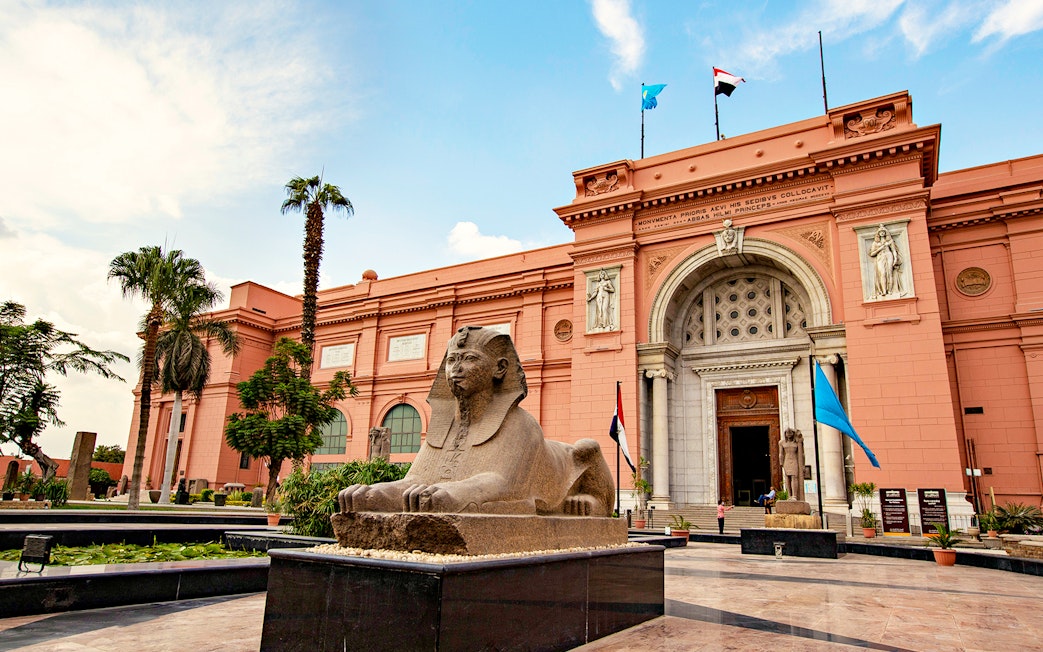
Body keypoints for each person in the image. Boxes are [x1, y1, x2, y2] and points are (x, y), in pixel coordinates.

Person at [338, 326, 615, 516]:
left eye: (470, 359)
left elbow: (502, 485)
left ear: (500, 368)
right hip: (458, 488)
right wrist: (376, 494)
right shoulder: (444, 425)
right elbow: (416, 480)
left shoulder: (522, 425)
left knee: (586, 448)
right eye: (452, 360)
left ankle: (597, 500)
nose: (456, 369)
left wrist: (451, 493)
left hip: (564, 474)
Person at [868, 224, 901, 299]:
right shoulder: (875, 243)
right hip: (880, 257)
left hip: (889, 255)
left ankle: (890, 290)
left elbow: (893, 250)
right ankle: (884, 291)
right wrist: (880, 248)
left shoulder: (890, 241)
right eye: (880, 232)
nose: (882, 233)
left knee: (889, 273)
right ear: (878, 233)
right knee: (882, 273)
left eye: (883, 231)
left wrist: (895, 258)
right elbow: (872, 254)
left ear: (886, 233)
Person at [780, 428, 806, 502]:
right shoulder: (782, 442)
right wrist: (781, 462)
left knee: (794, 477)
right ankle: (789, 495)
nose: (788, 435)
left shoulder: (797, 442)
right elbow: (781, 454)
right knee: (787, 478)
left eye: (790, 433)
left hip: (794, 460)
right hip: (787, 461)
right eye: (787, 433)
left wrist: (803, 464)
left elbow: (802, 454)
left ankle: (794, 495)